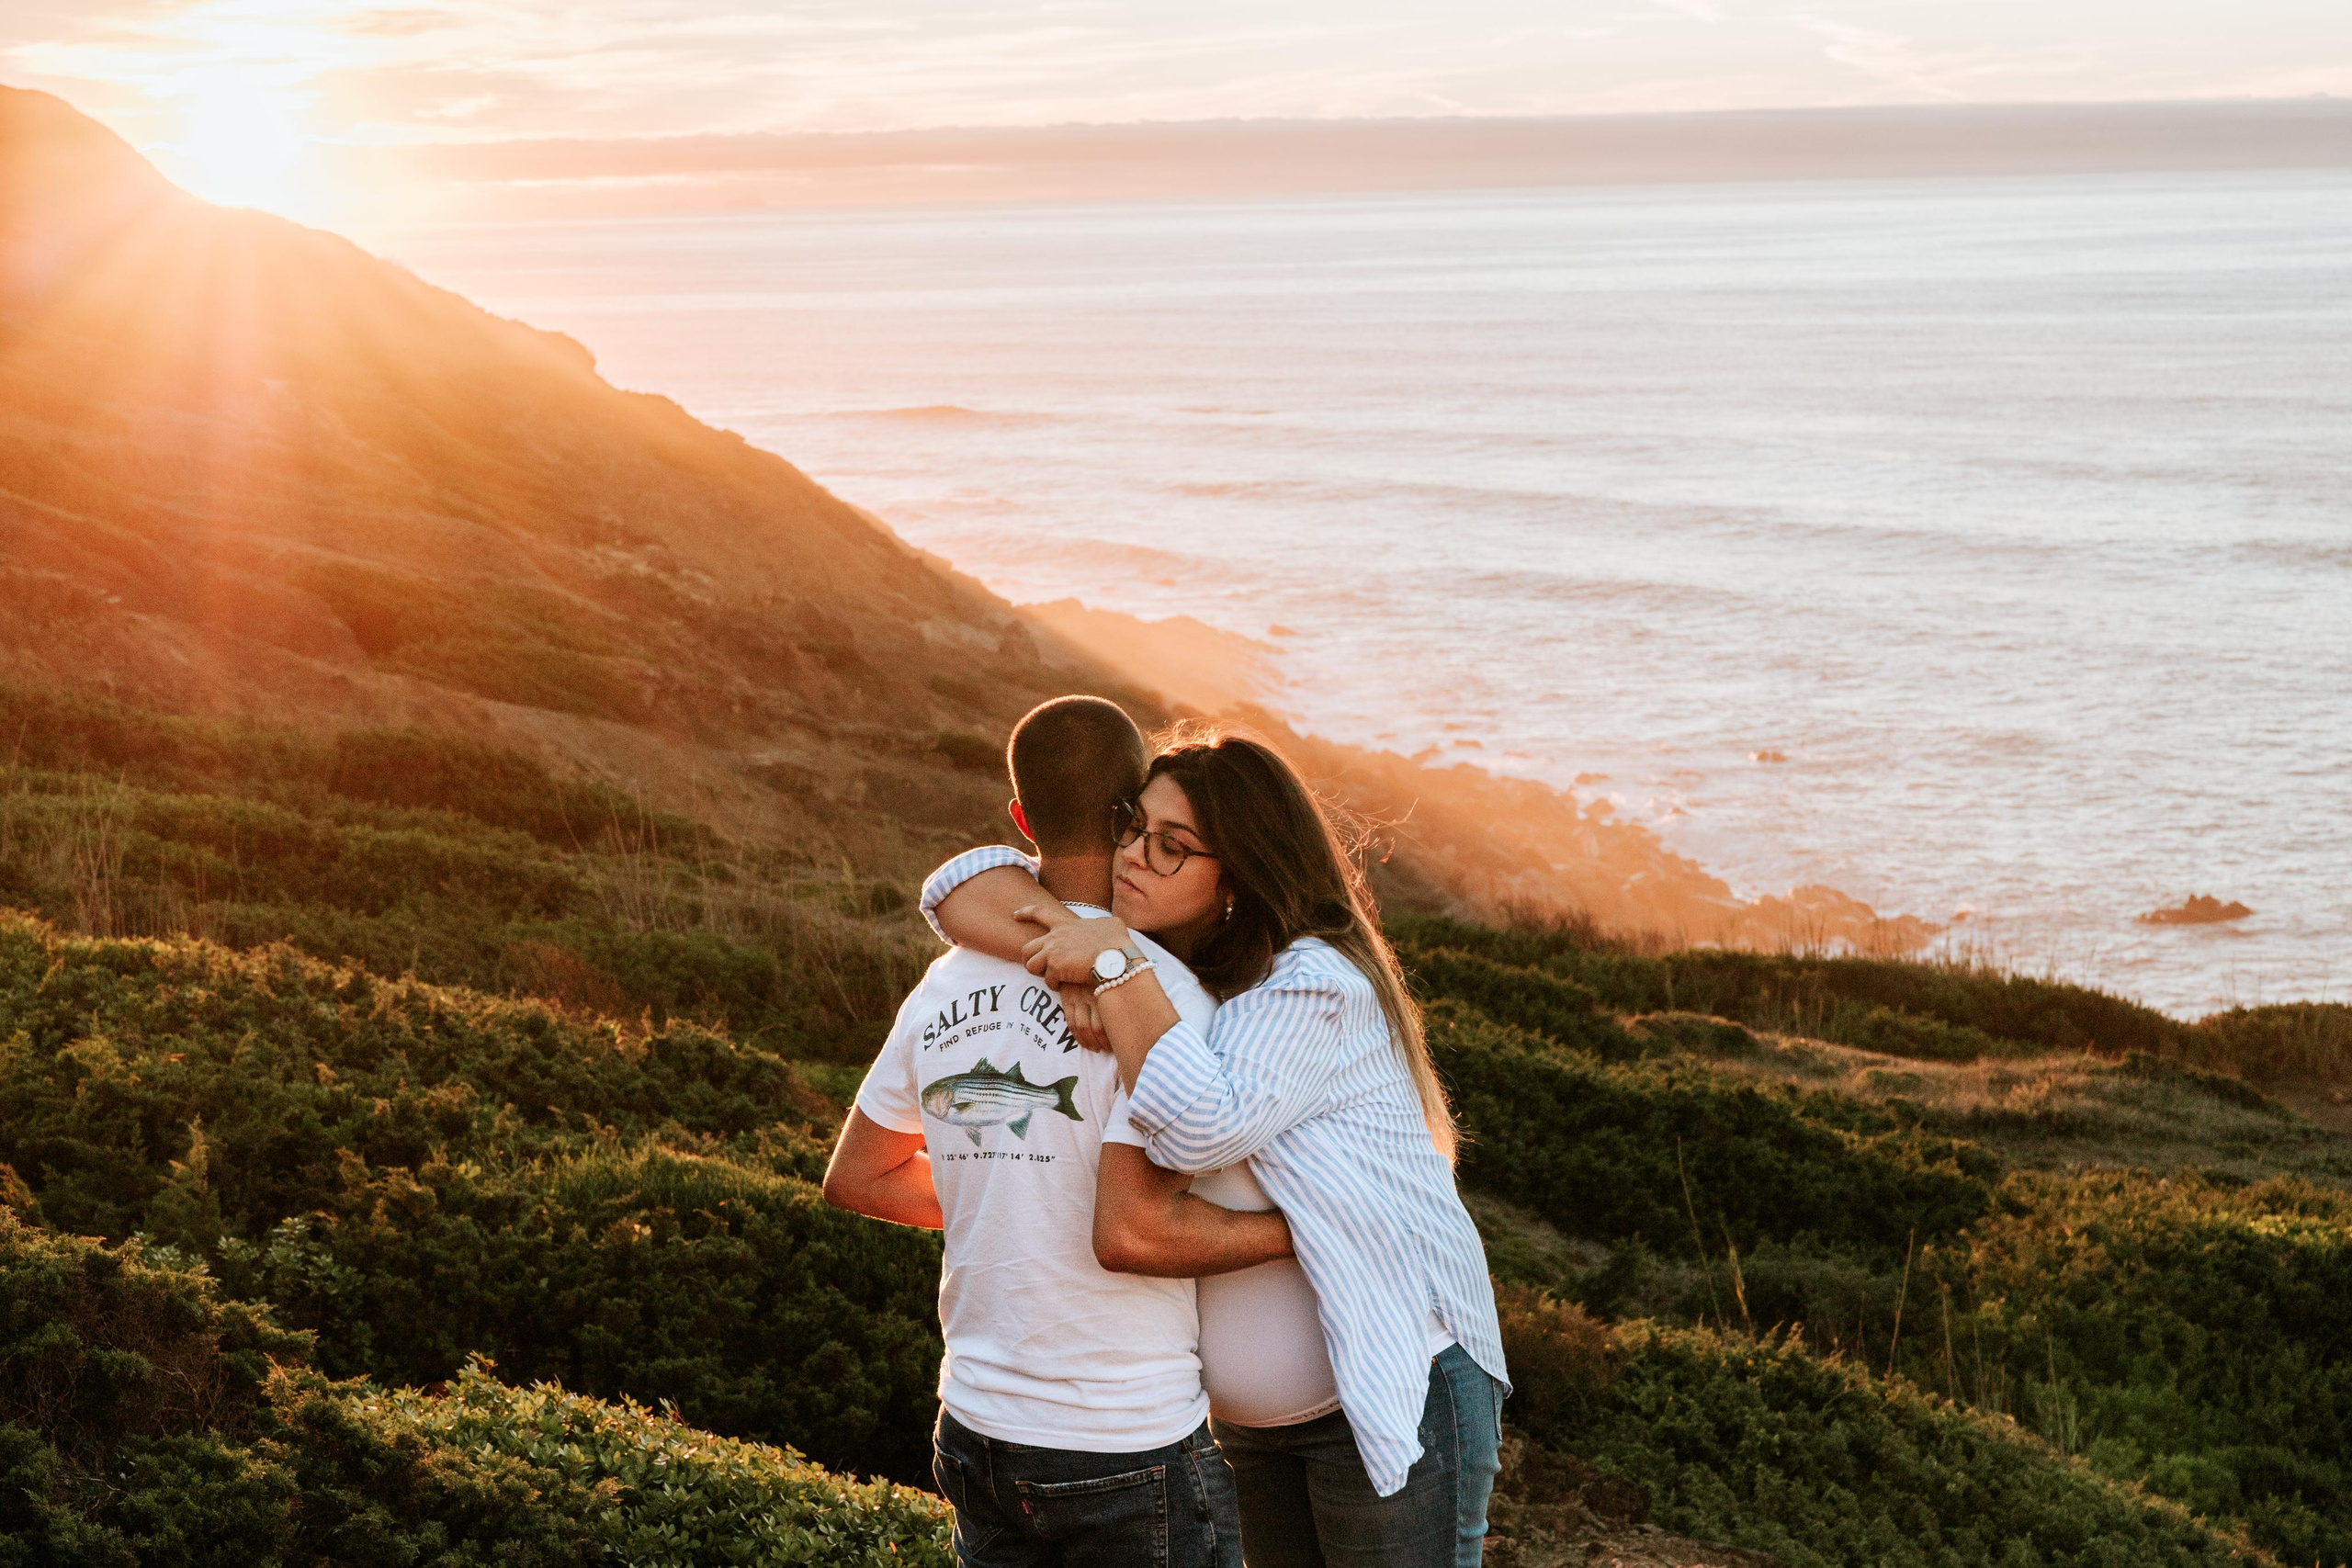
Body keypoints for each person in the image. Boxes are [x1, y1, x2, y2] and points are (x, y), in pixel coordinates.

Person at [923, 726, 1510, 1568]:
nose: (1132, 858)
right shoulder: (1184, 977)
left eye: (1172, 848)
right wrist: (1065, 948)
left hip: (1392, 1392)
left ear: (1235, 875)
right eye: (1133, 829)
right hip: (1252, 1429)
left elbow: (1201, 1123)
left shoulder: (1312, 984)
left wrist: (1115, 963)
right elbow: (953, 887)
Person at [825, 696, 1293, 1568]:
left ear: (1020, 818)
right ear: (1131, 818)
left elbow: (857, 1176)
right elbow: (1141, 1225)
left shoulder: (941, 983)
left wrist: (1006, 1182)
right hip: (1125, 1437)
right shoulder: (1167, 1002)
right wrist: (1305, 1232)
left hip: (976, 1428)